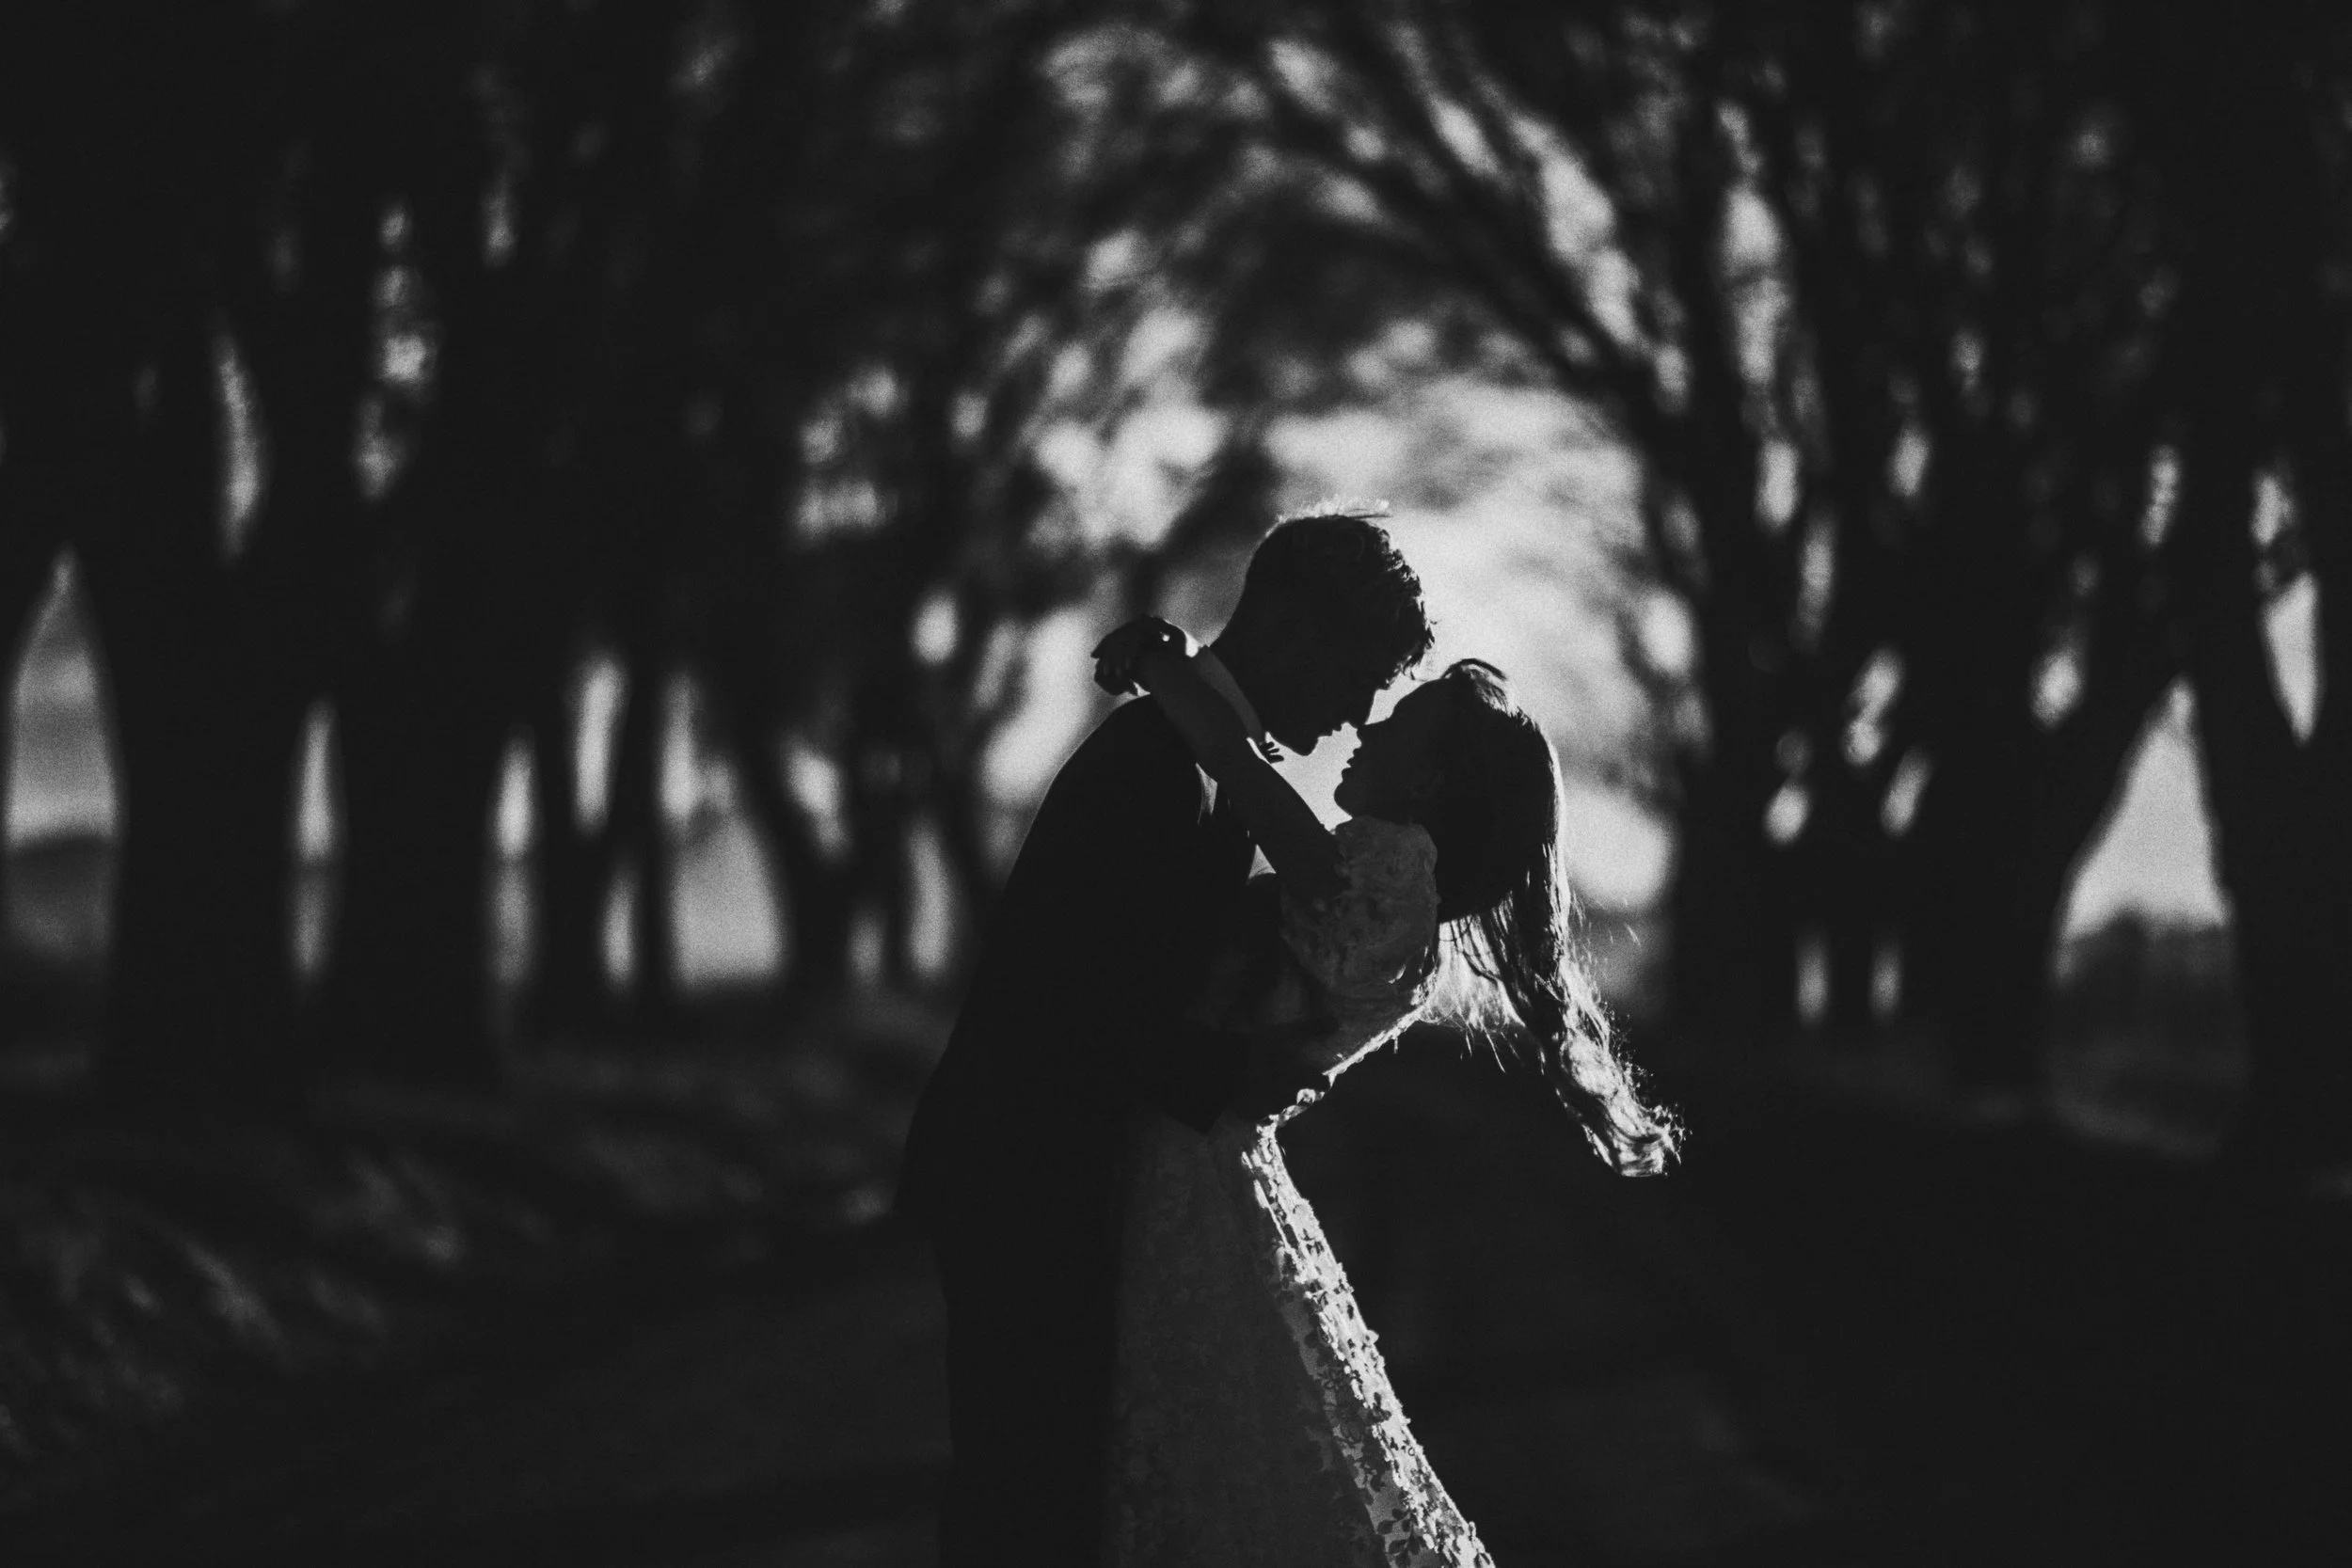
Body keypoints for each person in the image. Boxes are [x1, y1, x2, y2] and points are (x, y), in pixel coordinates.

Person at [898, 506, 1437, 1567]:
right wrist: (1241, 1069)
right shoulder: (1161, 767)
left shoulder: (1196, 758)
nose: (1357, 715)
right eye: (1358, 674)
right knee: (1023, 1501)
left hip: (1045, 1170)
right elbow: (1075, 997)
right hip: (1025, 1171)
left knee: (1043, 1498)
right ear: (1290, 632)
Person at [1086, 615, 1681, 1567]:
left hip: (1184, 1144)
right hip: (1210, 1145)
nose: (1362, 729)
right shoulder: (1412, 901)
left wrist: (1184, 689)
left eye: (1393, 723)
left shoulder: (1396, 865)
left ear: (1430, 780)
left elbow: (1263, 802)